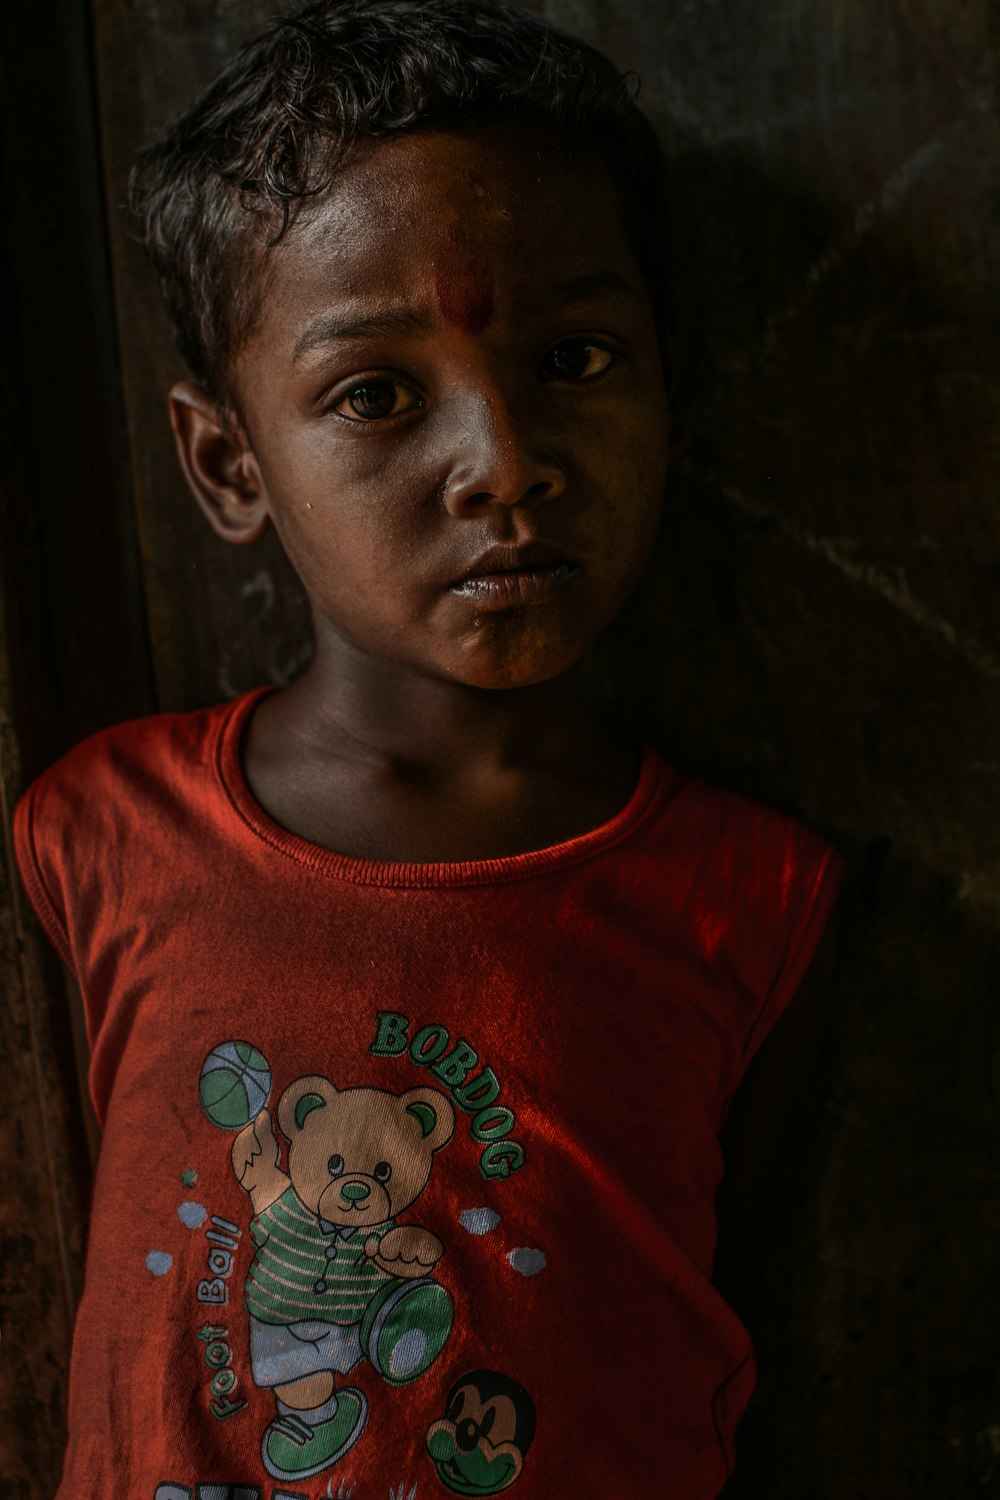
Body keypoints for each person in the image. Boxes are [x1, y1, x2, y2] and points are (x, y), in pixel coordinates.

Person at [13, 2, 843, 1495]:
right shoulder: (99, 837)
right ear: (227, 462)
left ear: (671, 382)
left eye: (577, 358)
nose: (506, 463)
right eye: (376, 396)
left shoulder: (752, 896)